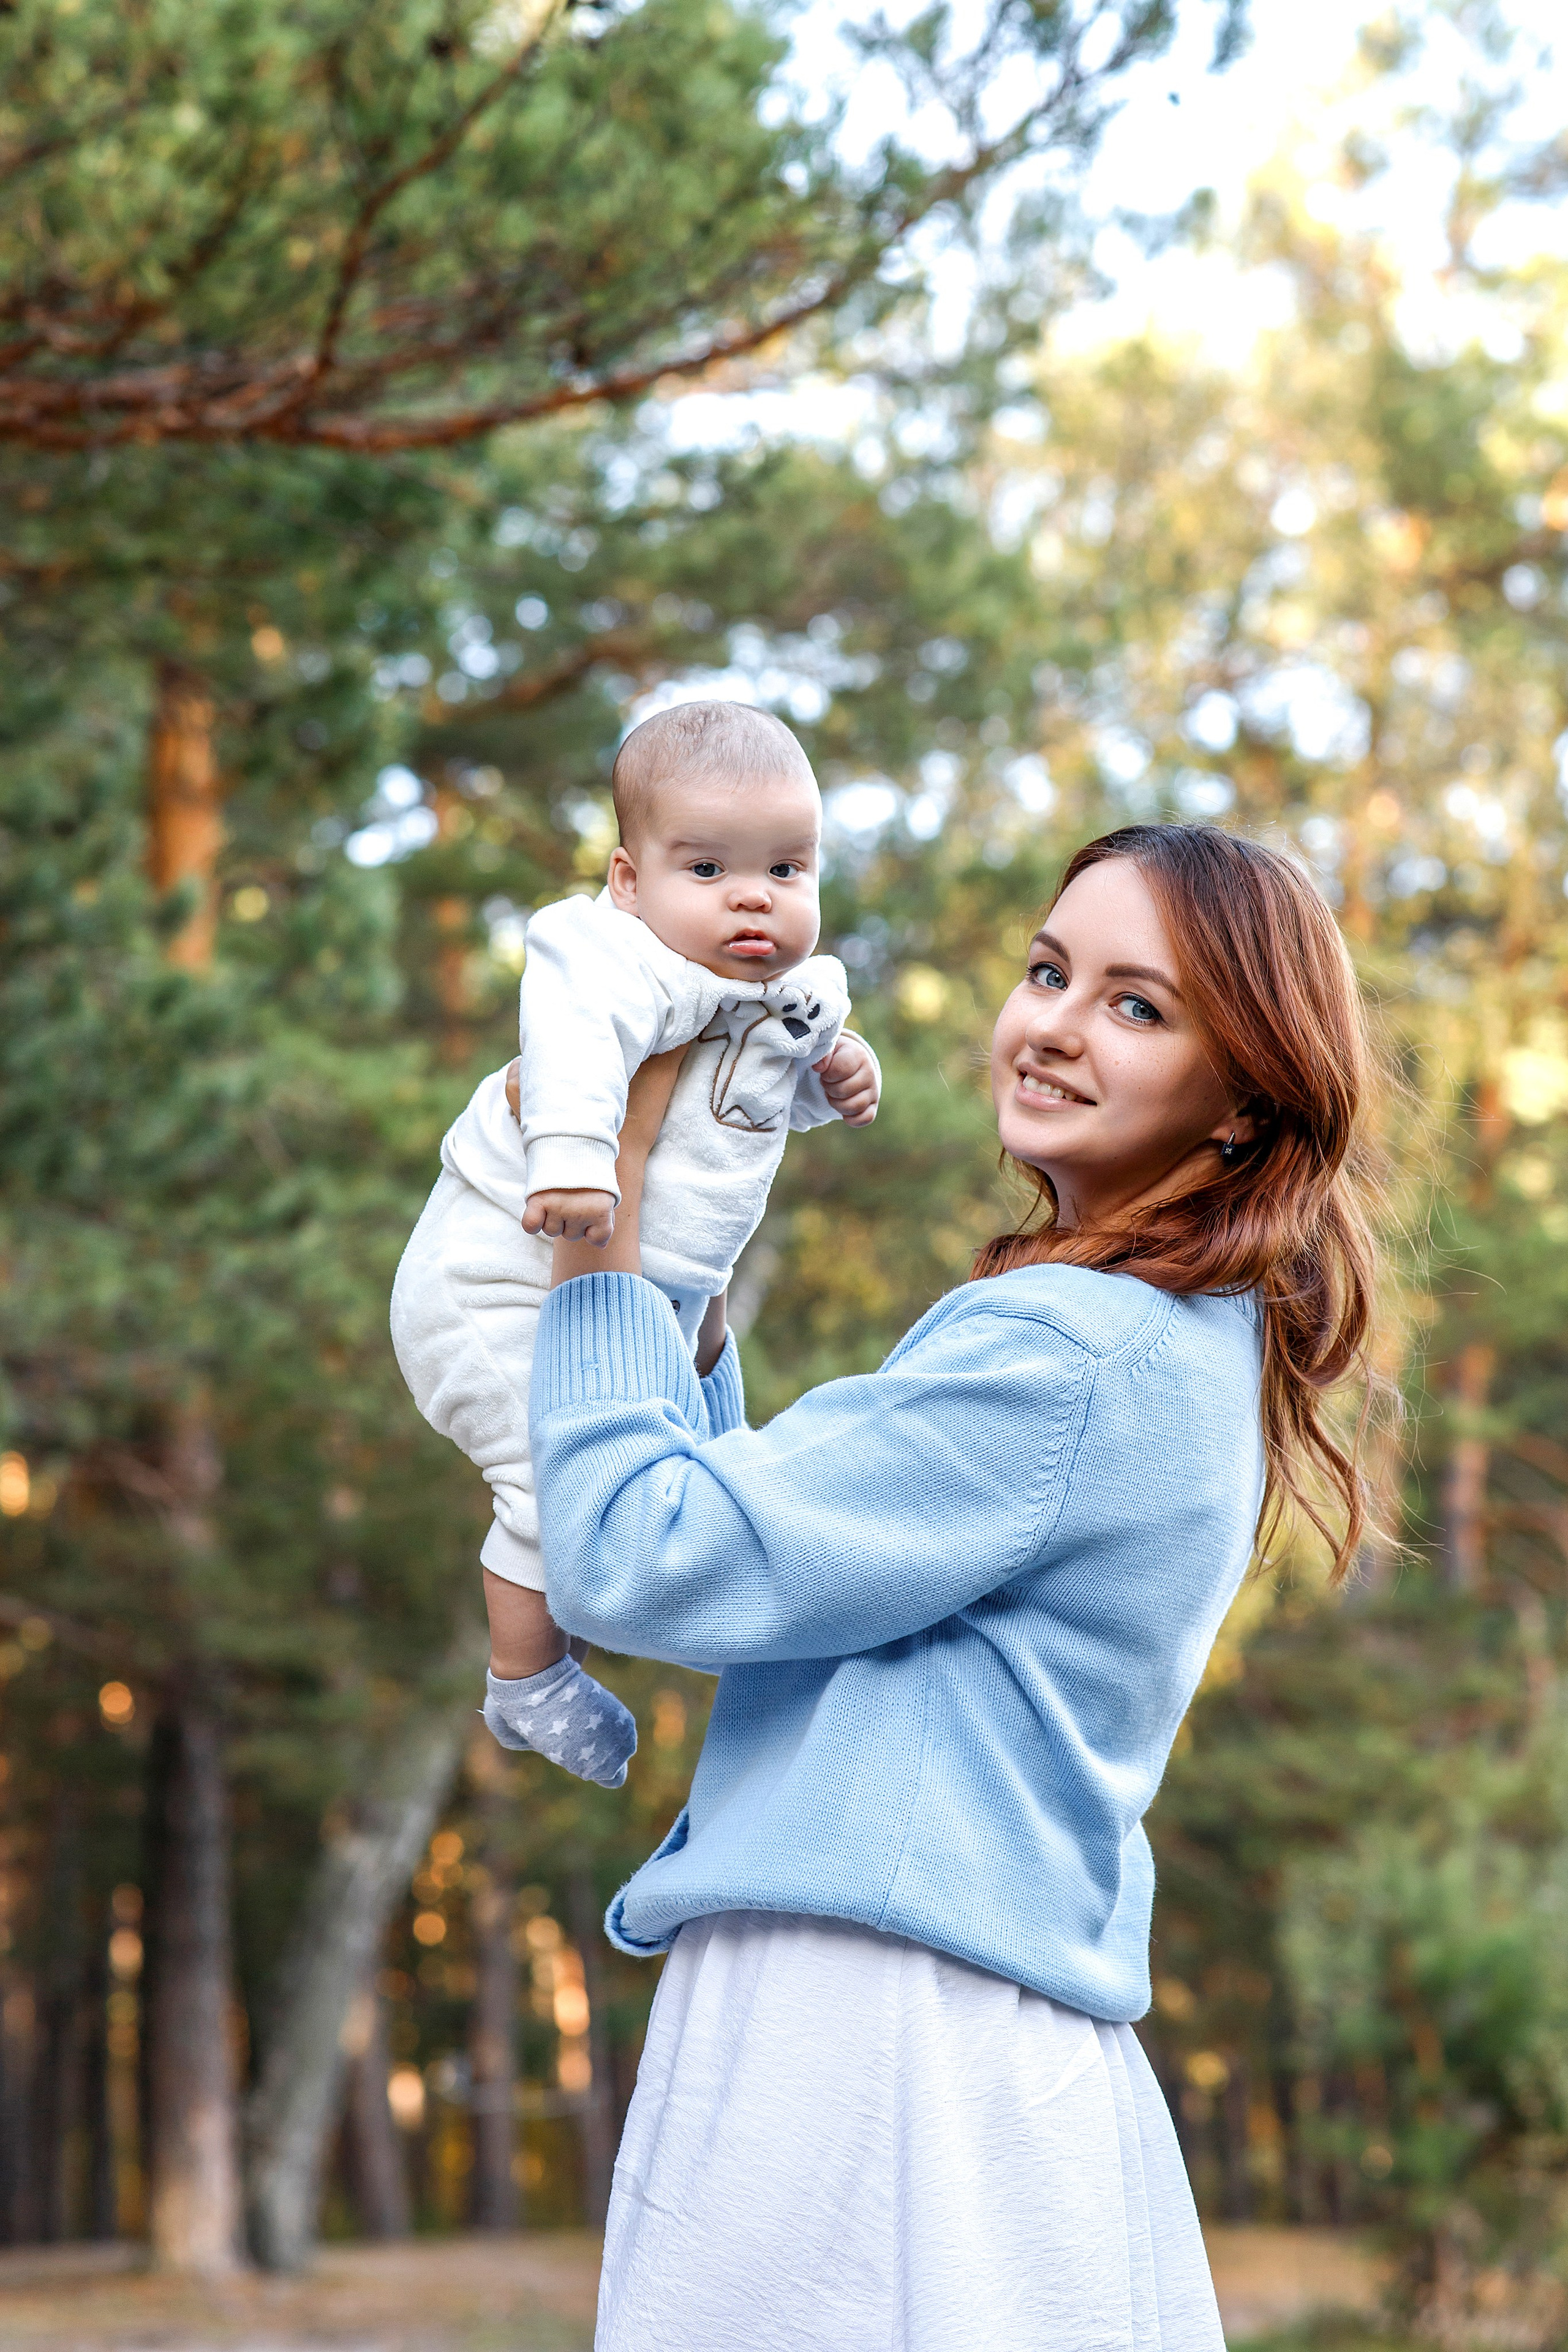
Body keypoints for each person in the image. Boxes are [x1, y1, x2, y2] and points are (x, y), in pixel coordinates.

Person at [529, 822, 1384, 2352]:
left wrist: (598, 1240)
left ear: (1244, 1098)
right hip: (955, 2042)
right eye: (1049, 970)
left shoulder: (1065, 1349)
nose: (1054, 1022)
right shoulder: (1167, 1344)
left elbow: (638, 1558)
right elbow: (772, 1576)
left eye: (1137, 1005)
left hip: (869, 2049)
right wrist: (682, 1302)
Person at [390, 701, 880, 1786]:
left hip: (635, 1294)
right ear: (627, 880)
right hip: (498, 1275)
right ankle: (525, 1681)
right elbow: (570, 1052)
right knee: (544, 1476)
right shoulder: (609, 961)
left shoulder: (784, 996)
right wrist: (572, 1159)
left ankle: (602, 1608)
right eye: (706, 867)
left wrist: (834, 1076)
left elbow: (745, 1108)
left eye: (787, 869)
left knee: (656, 1482)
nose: (754, 896)